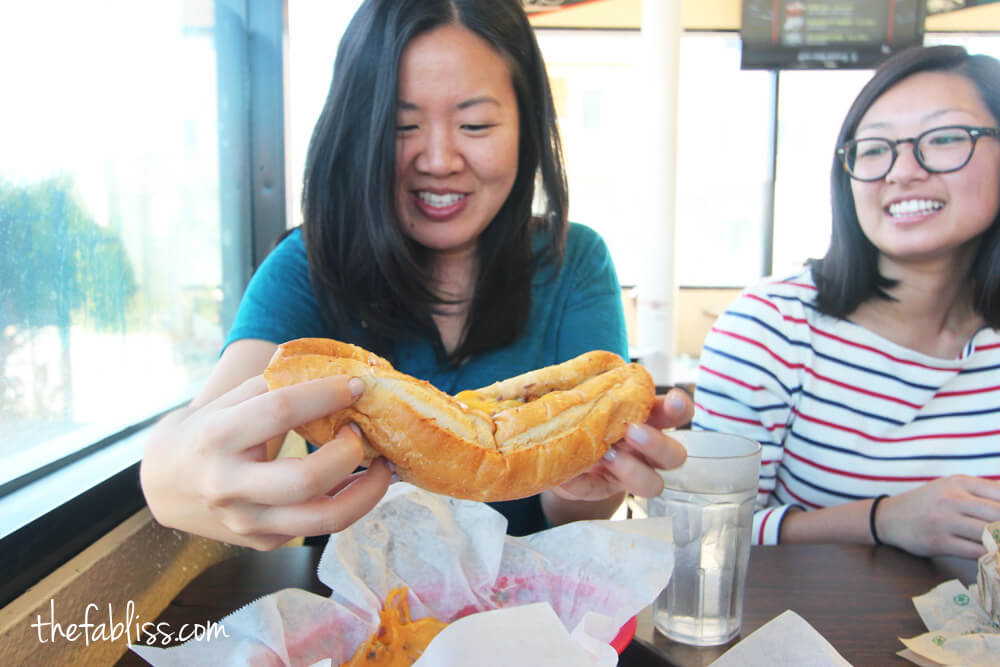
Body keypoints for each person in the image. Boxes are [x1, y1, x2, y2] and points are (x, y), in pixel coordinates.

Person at [140, 0, 690, 551]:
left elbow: (578, 518)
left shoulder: (575, 263)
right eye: (403, 125)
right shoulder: (310, 265)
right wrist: (182, 479)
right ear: (356, 133)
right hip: (353, 622)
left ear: (527, 126)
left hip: (529, 620)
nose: (439, 159)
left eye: (475, 124)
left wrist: (585, 487)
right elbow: (193, 440)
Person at [694, 44, 1000, 560]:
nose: (901, 171)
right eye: (875, 148)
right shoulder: (771, 328)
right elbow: (701, 530)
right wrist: (883, 519)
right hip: (813, 636)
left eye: (945, 138)